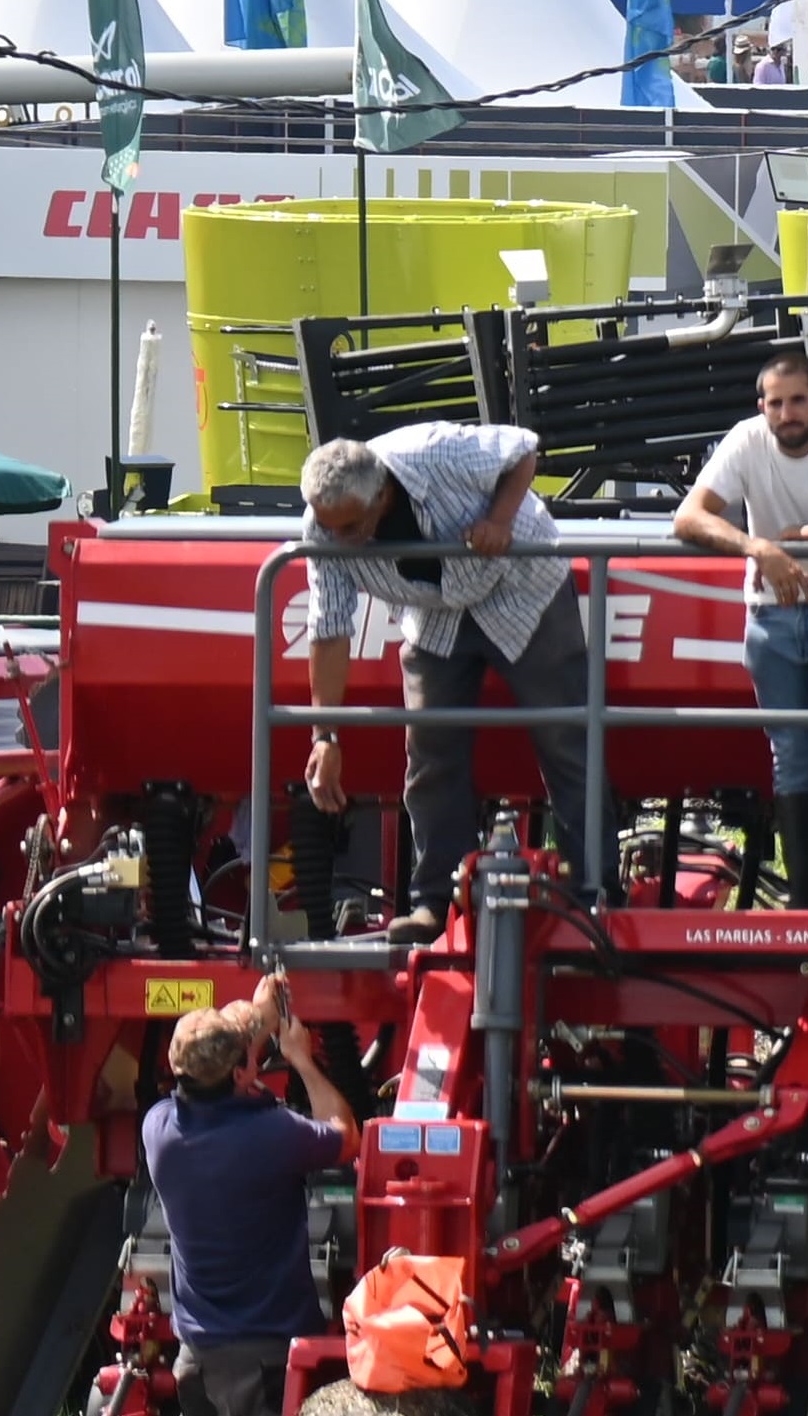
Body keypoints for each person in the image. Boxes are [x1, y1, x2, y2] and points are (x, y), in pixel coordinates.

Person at [294, 423, 585, 921]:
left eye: (349, 529)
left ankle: (591, 892)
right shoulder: (324, 528)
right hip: (436, 614)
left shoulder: (435, 453)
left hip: (523, 592)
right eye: (327, 527)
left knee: (566, 739)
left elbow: (525, 449)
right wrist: (326, 735)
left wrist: (499, 521)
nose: (335, 541)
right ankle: (436, 903)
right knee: (429, 751)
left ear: (382, 496)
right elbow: (329, 627)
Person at [671, 347, 808, 905]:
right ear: (761, 407)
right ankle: (803, 905)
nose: (787, 413)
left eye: (798, 401)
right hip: (770, 612)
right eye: (776, 403)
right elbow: (688, 515)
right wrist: (759, 548)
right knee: (790, 754)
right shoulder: (745, 440)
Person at [141, 978, 355, 1416]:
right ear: (241, 1073)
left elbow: (214, 1066)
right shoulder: (270, 1135)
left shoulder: (159, 1128)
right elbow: (345, 1136)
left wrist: (258, 1019)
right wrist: (301, 1059)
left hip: (196, 1359)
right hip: (265, 1363)